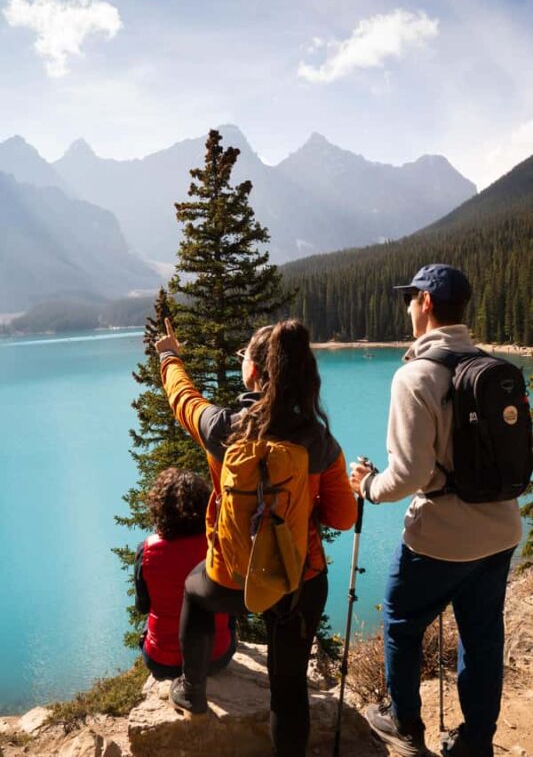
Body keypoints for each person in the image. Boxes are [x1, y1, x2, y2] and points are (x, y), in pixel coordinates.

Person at [155, 318, 356, 757]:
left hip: (233, 578)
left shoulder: (221, 428)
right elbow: (343, 518)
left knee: (194, 591)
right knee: (288, 690)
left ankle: (193, 690)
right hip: (300, 579)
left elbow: (183, 399)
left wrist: (169, 354)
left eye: (245, 355)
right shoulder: (321, 442)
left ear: (255, 372)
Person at [350, 264, 522, 757]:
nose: (407, 307)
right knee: (482, 635)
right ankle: (476, 742)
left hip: (441, 538)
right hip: (502, 530)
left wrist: (367, 488)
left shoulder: (416, 376)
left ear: (426, 303)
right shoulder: (492, 369)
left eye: (411, 299)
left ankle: (404, 725)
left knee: (402, 622)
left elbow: (406, 478)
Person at [134, 467, 236, 680]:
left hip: (163, 663)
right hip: (216, 657)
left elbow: (142, 606)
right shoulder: (217, 545)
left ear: (160, 508)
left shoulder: (147, 551)